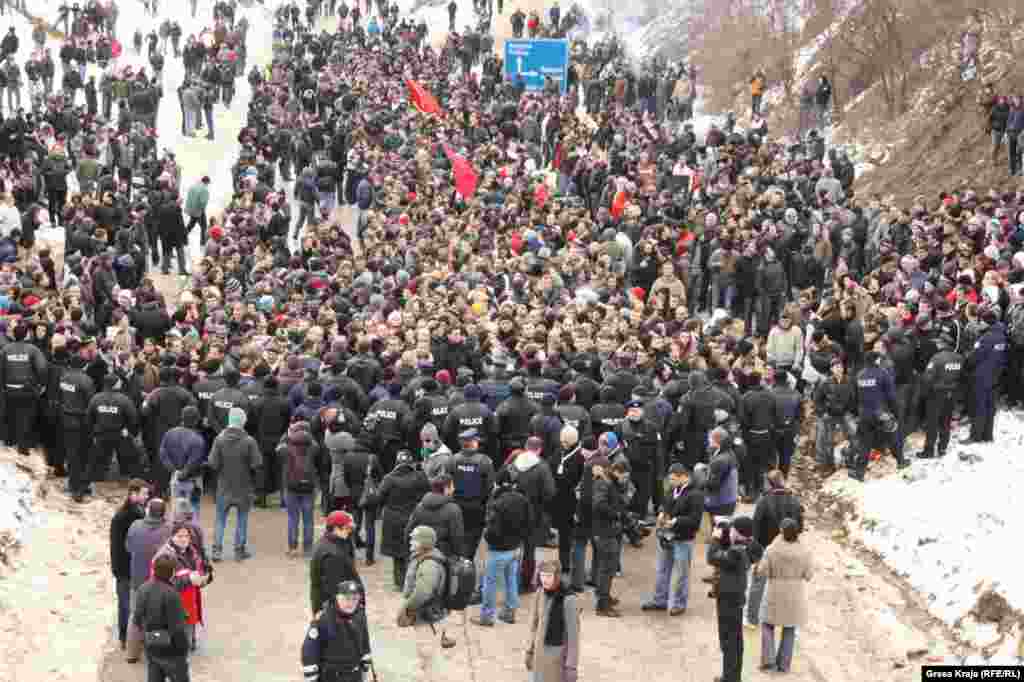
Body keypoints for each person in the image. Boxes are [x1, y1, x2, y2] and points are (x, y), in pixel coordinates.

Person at [642, 463, 704, 616]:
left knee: (682, 573)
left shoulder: (696, 494)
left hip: (683, 539)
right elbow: (666, 503)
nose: (671, 482)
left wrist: (675, 521)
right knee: (663, 570)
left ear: (684, 476)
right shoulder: (673, 489)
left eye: (673, 479)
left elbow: (695, 520)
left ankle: (679, 604)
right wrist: (662, 512)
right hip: (667, 536)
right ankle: (660, 600)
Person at [472, 466, 530, 626]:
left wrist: (487, 538)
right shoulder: (522, 499)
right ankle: (509, 612)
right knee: (511, 580)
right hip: (516, 548)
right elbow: (529, 523)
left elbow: (492, 530)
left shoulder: (497, 503)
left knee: (489, 583)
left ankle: (487, 616)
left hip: (498, 550)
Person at [396, 525, 455, 681]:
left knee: (427, 653)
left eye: (414, 539)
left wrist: (407, 608)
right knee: (425, 654)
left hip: (427, 617)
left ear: (424, 542)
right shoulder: (425, 555)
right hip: (429, 615)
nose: (410, 541)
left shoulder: (429, 563)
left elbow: (423, 592)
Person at [707, 515, 762, 682]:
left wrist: (715, 539)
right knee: (735, 641)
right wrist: (728, 535)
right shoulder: (749, 547)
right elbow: (742, 546)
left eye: (732, 529)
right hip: (735, 597)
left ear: (737, 533)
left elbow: (712, 557)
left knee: (729, 641)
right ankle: (732, 676)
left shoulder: (736, 553)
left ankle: (730, 678)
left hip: (728, 600)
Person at [755, 518, 813, 673]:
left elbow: (762, 571)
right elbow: (809, 575)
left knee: (767, 624)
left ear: (781, 531)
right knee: (789, 628)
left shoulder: (772, 549)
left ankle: (768, 662)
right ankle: (784, 665)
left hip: (774, 591)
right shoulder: (805, 551)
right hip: (795, 595)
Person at [748, 470, 803, 627]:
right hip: (788, 548)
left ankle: (752, 618)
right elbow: (799, 526)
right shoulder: (794, 501)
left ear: (768, 483)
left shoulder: (763, 501)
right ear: (783, 481)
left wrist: (756, 551)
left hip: (766, 549)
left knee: (758, 585)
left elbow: (756, 527)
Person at [208, 407, 263, 562]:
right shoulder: (249, 441)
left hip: (224, 487)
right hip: (244, 488)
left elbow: (212, 464)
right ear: (243, 421)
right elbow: (257, 465)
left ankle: (216, 551)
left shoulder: (219, 439)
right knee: (242, 519)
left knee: (220, 520)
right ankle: (239, 551)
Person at [124, 498, 173, 663]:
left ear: (147, 510)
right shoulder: (167, 529)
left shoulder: (135, 526)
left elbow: (128, 548)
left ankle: (131, 653)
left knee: (135, 616)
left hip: (137, 579)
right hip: (159, 581)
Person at [151, 521, 212, 652]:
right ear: (172, 536)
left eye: (186, 536)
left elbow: (201, 571)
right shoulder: (164, 555)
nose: (184, 539)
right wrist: (188, 579)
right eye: (180, 536)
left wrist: (205, 578)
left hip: (189, 606)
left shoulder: (192, 552)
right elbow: (162, 583)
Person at [374, 450, 430, 591]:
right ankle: (413, 580)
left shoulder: (389, 478)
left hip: (393, 519)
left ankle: (400, 582)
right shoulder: (420, 477)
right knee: (415, 550)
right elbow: (427, 494)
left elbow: (379, 498)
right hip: (414, 517)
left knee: (397, 553)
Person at [133, 554, 191, 682]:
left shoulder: (143, 588)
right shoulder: (172, 594)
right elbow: (178, 629)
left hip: (152, 646)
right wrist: (184, 649)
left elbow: (136, 619)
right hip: (172, 650)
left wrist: (147, 636)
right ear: (172, 573)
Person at [301, 580, 373, 682]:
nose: (350, 603)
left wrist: (365, 665)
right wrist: (311, 677)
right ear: (337, 597)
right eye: (346, 599)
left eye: (355, 599)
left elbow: (364, 641)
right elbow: (309, 650)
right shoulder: (323, 619)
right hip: (331, 676)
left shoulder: (360, 615)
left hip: (354, 675)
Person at [524, 560, 581, 682]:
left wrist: (571, 666)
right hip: (539, 658)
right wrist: (529, 650)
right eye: (542, 575)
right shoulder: (540, 593)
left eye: (549, 576)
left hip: (557, 661)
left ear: (557, 576)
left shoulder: (569, 599)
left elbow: (573, 636)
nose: (545, 580)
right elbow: (534, 625)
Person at [110, 480, 151, 650]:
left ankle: (126, 637)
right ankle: (128, 637)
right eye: (144, 493)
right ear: (133, 494)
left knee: (127, 604)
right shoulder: (132, 515)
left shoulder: (126, 513)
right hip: (128, 568)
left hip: (123, 567)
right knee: (129, 604)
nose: (147, 496)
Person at [278, 418, 322, 557]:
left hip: (291, 486)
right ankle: (308, 548)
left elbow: (277, 449)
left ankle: (292, 548)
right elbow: (317, 448)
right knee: (308, 520)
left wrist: (288, 433)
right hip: (309, 487)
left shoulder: (286, 447)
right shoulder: (313, 446)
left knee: (293, 519)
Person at [591, 457, 626, 617]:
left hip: (607, 531)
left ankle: (604, 596)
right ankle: (602, 605)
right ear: (617, 471)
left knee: (608, 567)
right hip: (605, 532)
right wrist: (616, 514)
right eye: (623, 475)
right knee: (607, 568)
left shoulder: (609, 482)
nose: (624, 479)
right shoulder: (604, 483)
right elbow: (599, 505)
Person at [309, 510, 362, 617]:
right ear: (336, 529)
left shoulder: (327, 542)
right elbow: (334, 589)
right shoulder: (332, 555)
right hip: (335, 612)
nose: (349, 531)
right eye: (347, 528)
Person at [159, 405, 207, 520]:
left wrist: (174, 471)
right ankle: (192, 535)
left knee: (175, 511)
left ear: (182, 418)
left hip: (175, 479)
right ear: (196, 420)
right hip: (192, 481)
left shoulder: (169, 433)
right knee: (193, 513)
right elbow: (194, 461)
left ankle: (176, 533)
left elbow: (163, 454)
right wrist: (184, 473)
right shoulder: (198, 439)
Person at [405, 473, 464, 560]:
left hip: (421, 555)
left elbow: (408, 532)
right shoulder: (453, 510)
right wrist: (458, 556)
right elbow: (457, 537)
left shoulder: (419, 507)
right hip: (444, 557)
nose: (454, 489)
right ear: (446, 489)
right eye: (452, 486)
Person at [184, 176, 211, 245]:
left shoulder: (193, 186)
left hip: (191, 209)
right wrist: (202, 210)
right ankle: (203, 242)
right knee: (204, 226)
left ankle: (183, 236)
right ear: (206, 182)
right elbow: (203, 202)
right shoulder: (204, 189)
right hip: (199, 211)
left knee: (191, 224)